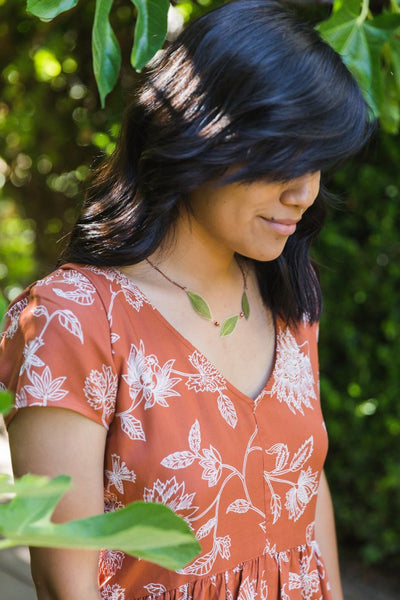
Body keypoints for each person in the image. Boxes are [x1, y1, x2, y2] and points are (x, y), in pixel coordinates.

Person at [0, 1, 373, 599]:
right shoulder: (76, 320)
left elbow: (308, 486)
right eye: (285, 157)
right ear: (202, 132)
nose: (305, 193)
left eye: (319, 163)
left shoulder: (288, 295)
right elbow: (67, 584)